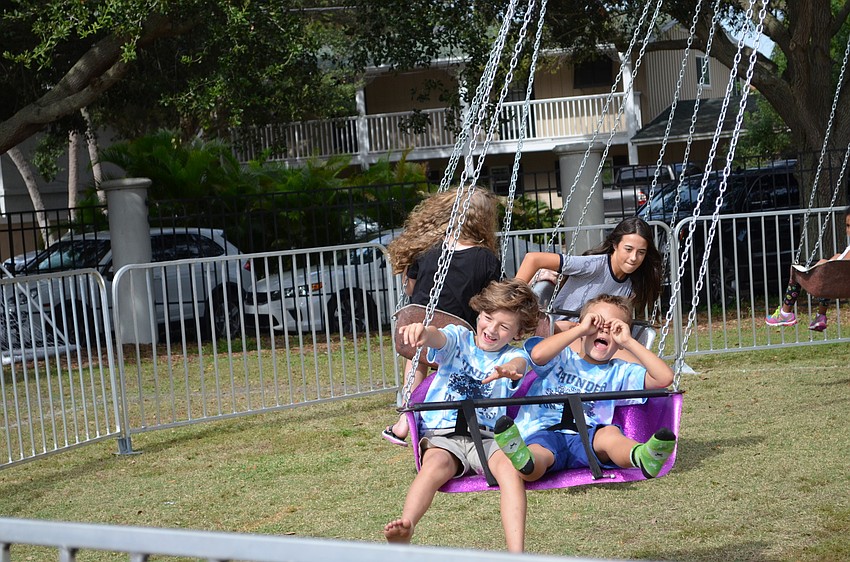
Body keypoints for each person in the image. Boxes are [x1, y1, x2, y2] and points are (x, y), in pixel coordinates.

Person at [383, 279, 540, 553]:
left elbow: (519, 365)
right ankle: (406, 525)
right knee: (435, 466)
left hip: (488, 438)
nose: (491, 329)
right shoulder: (460, 338)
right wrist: (424, 331)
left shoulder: (516, 355)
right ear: (479, 314)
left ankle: (517, 553)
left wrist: (509, 370)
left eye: (503, 326)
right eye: (488, 318)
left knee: (510, 470)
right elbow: (438, 337)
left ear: (516, 333)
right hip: (444, 434)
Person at [487, 294, 677, 485]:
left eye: (612, 328)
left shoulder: (620, 372)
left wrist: (628, 341)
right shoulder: (562, 357)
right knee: (539, 452)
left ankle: (642, 456)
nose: (602, 331)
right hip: (544, 430)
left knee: (610, 435)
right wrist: (580, 330)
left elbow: (664, 378)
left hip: (588, 436)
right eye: (596, 323)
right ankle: (524, 461)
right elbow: (537, 354)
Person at [382, 186, 502, 446]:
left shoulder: (427, 249)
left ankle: (405, 421)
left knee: (417, 362)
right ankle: (446, 421)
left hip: (420, 326)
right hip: (459, 332)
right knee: (449, 368)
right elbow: (491, 299)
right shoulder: (486, 259)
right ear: (483, 219)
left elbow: (411, 288)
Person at [515, 217, 662, 335]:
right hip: (562, 332)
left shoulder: (632, 283)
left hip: (595, 337)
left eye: (641, 252)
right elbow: (533, 259)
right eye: (628, 249)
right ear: (615, 245)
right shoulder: (594, 265)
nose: (633, 258)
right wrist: (511, 299)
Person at [766, 205, 850, 331]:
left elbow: (842, 266)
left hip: (836, 281)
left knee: (797, 270)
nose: (848, 230)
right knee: (831, 265)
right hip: (836, 283)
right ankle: (821, 316)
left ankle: (785, 313)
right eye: (848, 226)